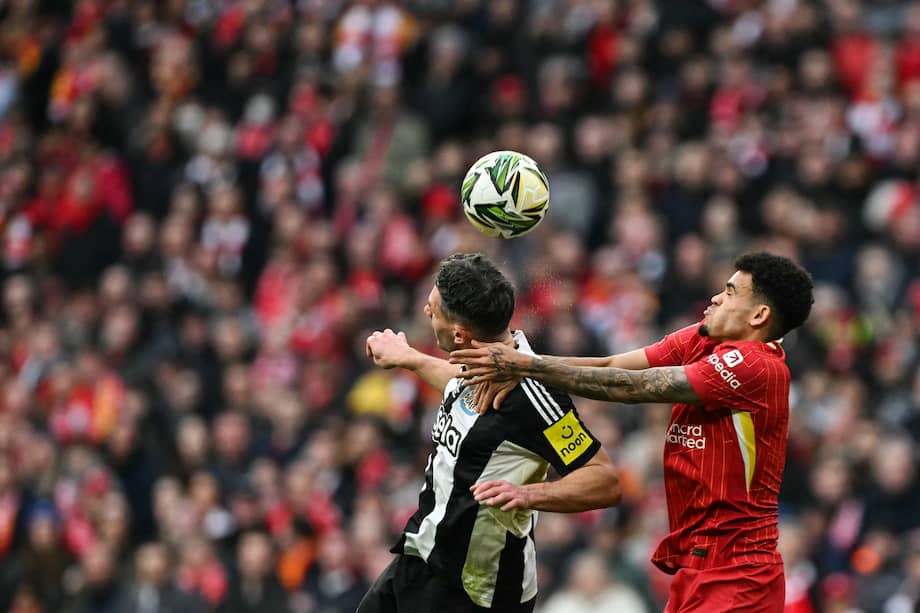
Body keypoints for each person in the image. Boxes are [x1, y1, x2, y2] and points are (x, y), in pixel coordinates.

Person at [449, 252, 815, 613]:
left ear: (759, 315)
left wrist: (527, 366)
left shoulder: (757, 367)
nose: (717, 297)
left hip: (739, 572)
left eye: (731, 292)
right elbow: (612, 363)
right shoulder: (703, 340)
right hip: (700, 567)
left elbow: (630, 387)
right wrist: (527, 365)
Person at [358, 253, 621, 613]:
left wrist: (529, 494)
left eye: (433, 309)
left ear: (460, 333)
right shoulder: (481, 360)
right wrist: (409, 357)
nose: (425, 311)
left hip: (476, 592)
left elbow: (604, 480)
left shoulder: (533, 396)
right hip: (421, 558)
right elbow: (460, 386)